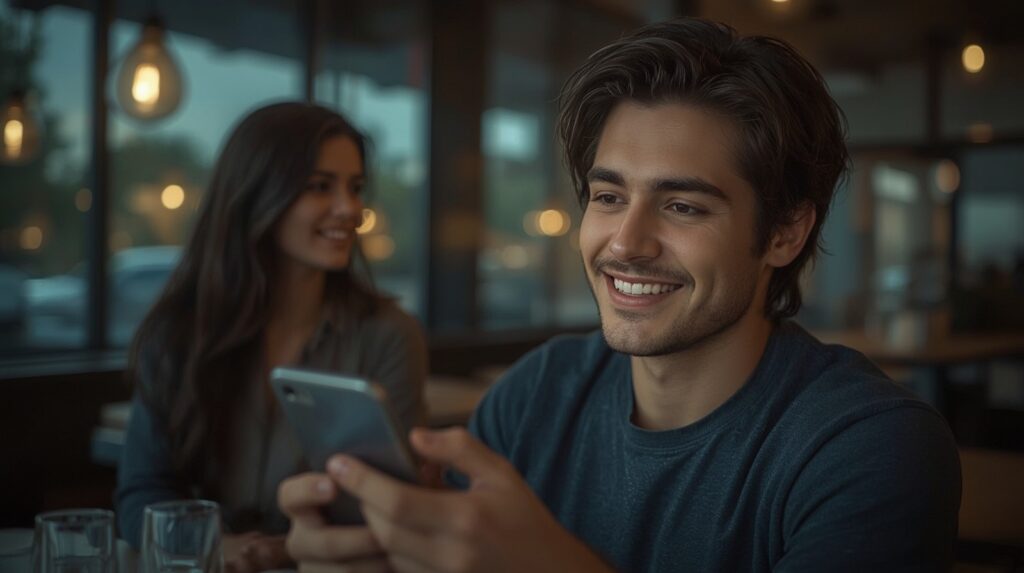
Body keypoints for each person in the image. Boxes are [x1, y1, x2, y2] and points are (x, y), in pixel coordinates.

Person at [278, 19, 961, 573]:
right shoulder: (537, 394)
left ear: (785, 231)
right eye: (608, 196)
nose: (625, 242)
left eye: (684, 206)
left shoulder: (872, 448)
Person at [115, 102, 427, 572]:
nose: (350, 209)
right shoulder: (179, 331)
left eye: (356, 187)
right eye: (320, 186)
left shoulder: (388, 335)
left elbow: (391, 506)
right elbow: (142, 491)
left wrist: (276, 552)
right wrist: (216, 546)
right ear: (257, 193)